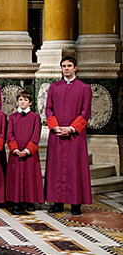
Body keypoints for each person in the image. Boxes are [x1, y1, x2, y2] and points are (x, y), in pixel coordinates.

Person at [45, 56, 92, 215]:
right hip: (57, 134)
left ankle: (75, 204)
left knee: (74, 168)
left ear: (75, 68)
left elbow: (85, 113)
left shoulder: (84, 88)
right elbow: (48, 109)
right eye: (64, 66)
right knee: (56, 168)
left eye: (69, 66)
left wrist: (71, 128)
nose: (66, 68)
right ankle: (57, 203)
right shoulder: (54, 87)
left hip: (75, 136)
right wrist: (55, 127)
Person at [6, 92, 42, 214]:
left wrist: (27, 150)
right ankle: (16, 201)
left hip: (29, 154)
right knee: (15, 177)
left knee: (30, 177)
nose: (22, 102)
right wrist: (15, 149)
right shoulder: (12, 117)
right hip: (15, 153)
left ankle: (30, 201)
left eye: (25, 100)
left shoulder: (35, 117)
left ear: (30, 102)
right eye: (20, 99)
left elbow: (35, 135)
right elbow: (9, 134)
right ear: (17, 102)